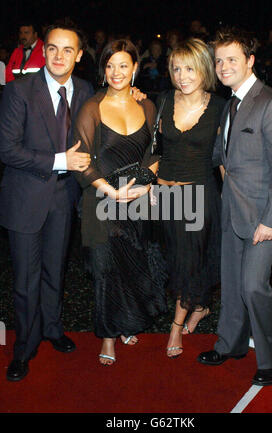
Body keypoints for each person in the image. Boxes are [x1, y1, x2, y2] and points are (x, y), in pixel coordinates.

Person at [197, 27, 272, 386]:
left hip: (264, 217)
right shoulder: (230, 105)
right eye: (219, 60)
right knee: (233, 283)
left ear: (250, 61)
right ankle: (230, 345)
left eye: (232, 59)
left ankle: (271, 357)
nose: (223, 67)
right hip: (233, 212)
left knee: (255, 286)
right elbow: (223, 158)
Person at [0, 23, 94, 381]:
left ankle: (52, 328)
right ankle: (25, 346)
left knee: (55, 270)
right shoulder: (19, 91)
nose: (58, 56)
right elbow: (7, 150)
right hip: (25, 197)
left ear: (79, 56)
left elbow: (106, 118)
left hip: (63, 197)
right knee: (25, 279)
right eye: (52, 48)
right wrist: (60, 161)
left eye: (67, 50)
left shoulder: (85, 91)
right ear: (44, 51)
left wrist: (133, 95)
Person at [73, 39, 168, 366]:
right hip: (101, 201)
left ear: (135, 69)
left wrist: (143, 187)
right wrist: (112, 193)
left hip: (137, 201)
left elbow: (154, 153)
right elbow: (82, 160)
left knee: (133, 268)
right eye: (111, 65)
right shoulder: (91, 107)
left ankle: (126, 321)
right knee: (105, 271)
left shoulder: (147, 106)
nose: (116, 72)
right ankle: (109, 337)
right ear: (104, 68)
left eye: (124, 65)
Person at [154, 38, 225, 358]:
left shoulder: (222, 108)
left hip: (198, 195)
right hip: (164, 196)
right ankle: (201, 305)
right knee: (175, 261)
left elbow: (225, 160)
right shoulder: (162, 100)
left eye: (190, 68)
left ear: (204, 70)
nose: (182, 75)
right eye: (176, 68)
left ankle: (176, 328)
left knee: (188, 262)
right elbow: (154, 149)